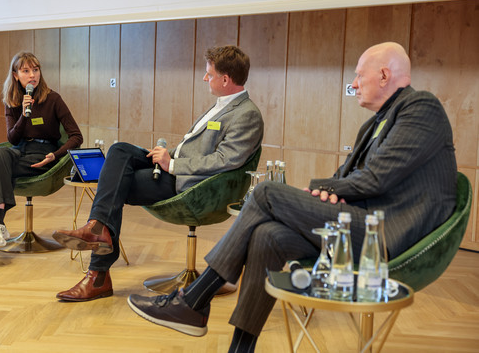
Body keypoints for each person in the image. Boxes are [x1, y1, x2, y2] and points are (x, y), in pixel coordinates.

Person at [127, 42, 457, 352]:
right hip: (358, 223)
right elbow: (348, 179)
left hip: (385, 235)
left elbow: (377, 178)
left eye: (359, 74)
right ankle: (240, 347)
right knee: (267, 235)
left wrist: (321, 191)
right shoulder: (374, 124)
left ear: (384, 75)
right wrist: (321, 193)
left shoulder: (421, 107)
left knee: (267, 191)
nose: (354, 84)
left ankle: (194, 300)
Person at [52, 45, 264, 302]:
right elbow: (192, 147)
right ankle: (98, 232)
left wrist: (172, 165)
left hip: (193, 186)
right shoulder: (221, 106)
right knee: (119, 151)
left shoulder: (247, 114)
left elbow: (225, 160)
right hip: (174, 169)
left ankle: (98, 270)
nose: (205, 78)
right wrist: (166, 154)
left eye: (209, 73)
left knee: (115, 185)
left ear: (225, 79)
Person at [0, 51, 83, 263]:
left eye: (35, 69)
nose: (32, 75)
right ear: (16, 75)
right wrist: (24, 114)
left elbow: (76, 136)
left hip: (44, 155)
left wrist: (55, 155)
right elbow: (13, 139)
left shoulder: (53, 99)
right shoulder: (12, 101)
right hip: (20, 151)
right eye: (26, 71)